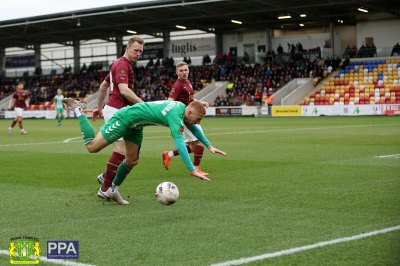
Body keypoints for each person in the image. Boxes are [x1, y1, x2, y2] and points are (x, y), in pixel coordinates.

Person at [63, 98, 227, 205]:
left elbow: (194, 128)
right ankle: (79, 110)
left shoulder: (182, 109)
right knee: (92, 147)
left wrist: (209, 145)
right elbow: (179, 142)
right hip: (125, 118)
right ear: (190, 113)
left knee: (132, 160)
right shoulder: (175, 114)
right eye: (198, 119)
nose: (198, 122)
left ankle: (112, 190)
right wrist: (192, 169)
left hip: (136, 125)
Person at [91, 36, 145, 204]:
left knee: (131, 155)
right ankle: (105, 190)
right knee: (121, 149)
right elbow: (124, 90)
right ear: (127, 48)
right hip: (117, 111)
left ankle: (106, 178)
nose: (138, 54)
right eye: (136, 50)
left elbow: (103, 86)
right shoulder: (122, 64)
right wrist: (145, 106)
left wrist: (99, 108)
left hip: (116, 110)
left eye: (141, 52)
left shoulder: (119, 64)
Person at [161, 62, 209, 176]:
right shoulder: (177, 85)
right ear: (177, 72)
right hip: (185, 117)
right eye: (181, 70)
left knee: (192, 147)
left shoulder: (188, 82)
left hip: (190, 116)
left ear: (188, 70)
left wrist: (200, 102)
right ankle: (196, 169)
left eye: (186, 70)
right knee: (200, 142)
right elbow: (169, 101)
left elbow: (190, 98)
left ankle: (169, 155)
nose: (184, 72)